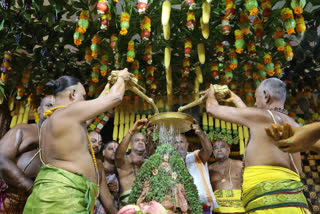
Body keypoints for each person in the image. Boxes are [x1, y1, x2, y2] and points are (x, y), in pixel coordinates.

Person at [23, 70, 130, 213]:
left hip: (51, 196)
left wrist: (110, 85)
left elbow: (94, 109)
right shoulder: (70, 111)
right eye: (83, 96)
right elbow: (115, 97)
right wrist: (122, 78)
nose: (84, 101)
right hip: (64, 198)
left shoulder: (50, 121)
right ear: (72, 94)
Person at [205, 78, 310, 213]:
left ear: (266, 96)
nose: (255, 103)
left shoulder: (261, 116)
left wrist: (211, 92)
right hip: (295, 205)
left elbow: (212, 109)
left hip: (269, 207)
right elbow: (299, 172)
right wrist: (236, 100)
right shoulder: (294, 125)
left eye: (256, 98)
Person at [0, 95, 54, 213]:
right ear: (39, 110)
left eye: (56, 108)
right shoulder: (23, 129)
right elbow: (2, 158)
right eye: (49, 105)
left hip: (39, 204)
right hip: (11, 197)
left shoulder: (59, 140)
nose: (52, 110)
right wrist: (30, 187)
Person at [174, 121, 218, 213]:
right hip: (179, 206)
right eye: (175, 142)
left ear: (187, 145)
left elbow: (208, 149)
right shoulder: (169, 162)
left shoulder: (196, 156)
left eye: (181, 142)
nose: (178, 145)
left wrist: (199, 132)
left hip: (201, 204)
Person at [115, 119, 148, 208]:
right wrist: (131, 131)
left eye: (143, 140)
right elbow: (118, 156)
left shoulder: (149, 163)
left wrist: (150, 133)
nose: (141, 142)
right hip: (127, 204)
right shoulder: (124, 161)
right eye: (137, 140)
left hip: (146, 204)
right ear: (130, 144)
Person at [209, 140, 245, 214]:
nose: (219, 149)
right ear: (213, 152)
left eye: (222, 146)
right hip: (218, 211)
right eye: (215, 148)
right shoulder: (209, 169)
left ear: (228, 150)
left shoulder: (240, 165)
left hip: (239, 210)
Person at [88, 131, 118, 214]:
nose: (97, 145)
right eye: (93, 141)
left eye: (100, 143)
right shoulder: (73, 160)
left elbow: (106, 197)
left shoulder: (98, 164)